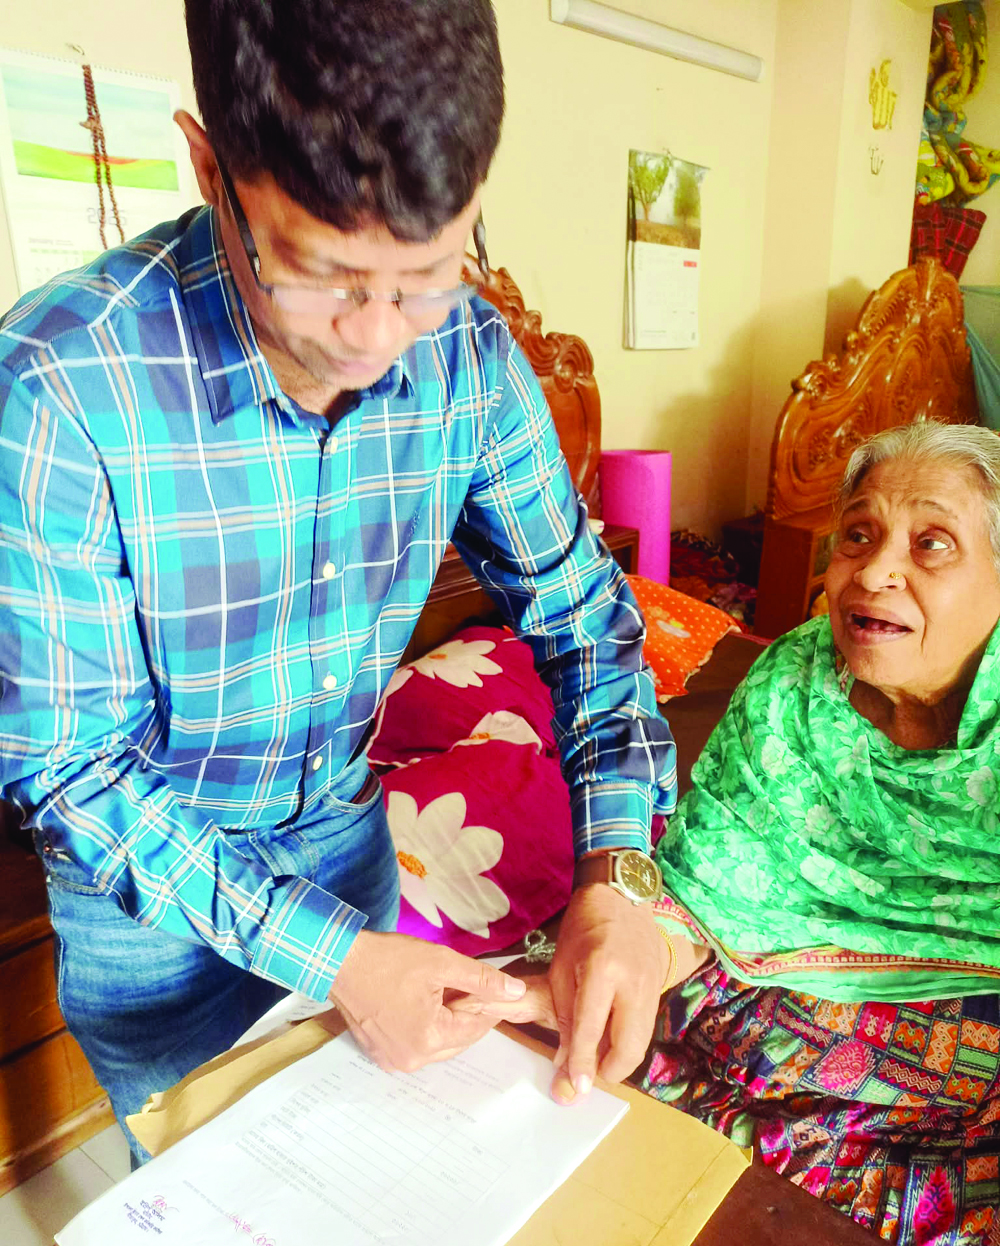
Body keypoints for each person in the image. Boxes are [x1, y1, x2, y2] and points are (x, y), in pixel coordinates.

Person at [0, 0, 676, 1162]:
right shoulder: (60, 386)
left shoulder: (466, 355)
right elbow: (69, 768)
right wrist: (338, 962)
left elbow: (582, 619)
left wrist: (615, 874)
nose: (376, 337)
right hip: (150, 916)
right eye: (322, 274)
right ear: (209, 167)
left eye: (427, 272)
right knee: (210, 1200)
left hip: (347, 844)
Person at [508, 421, 1000, 1245]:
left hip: (964, 1022)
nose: (874, 571)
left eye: (931, 544)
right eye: (858, 535)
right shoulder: (795, 680)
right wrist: (633, 955)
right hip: (759, 983)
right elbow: (708, 886)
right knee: (583, 1013)